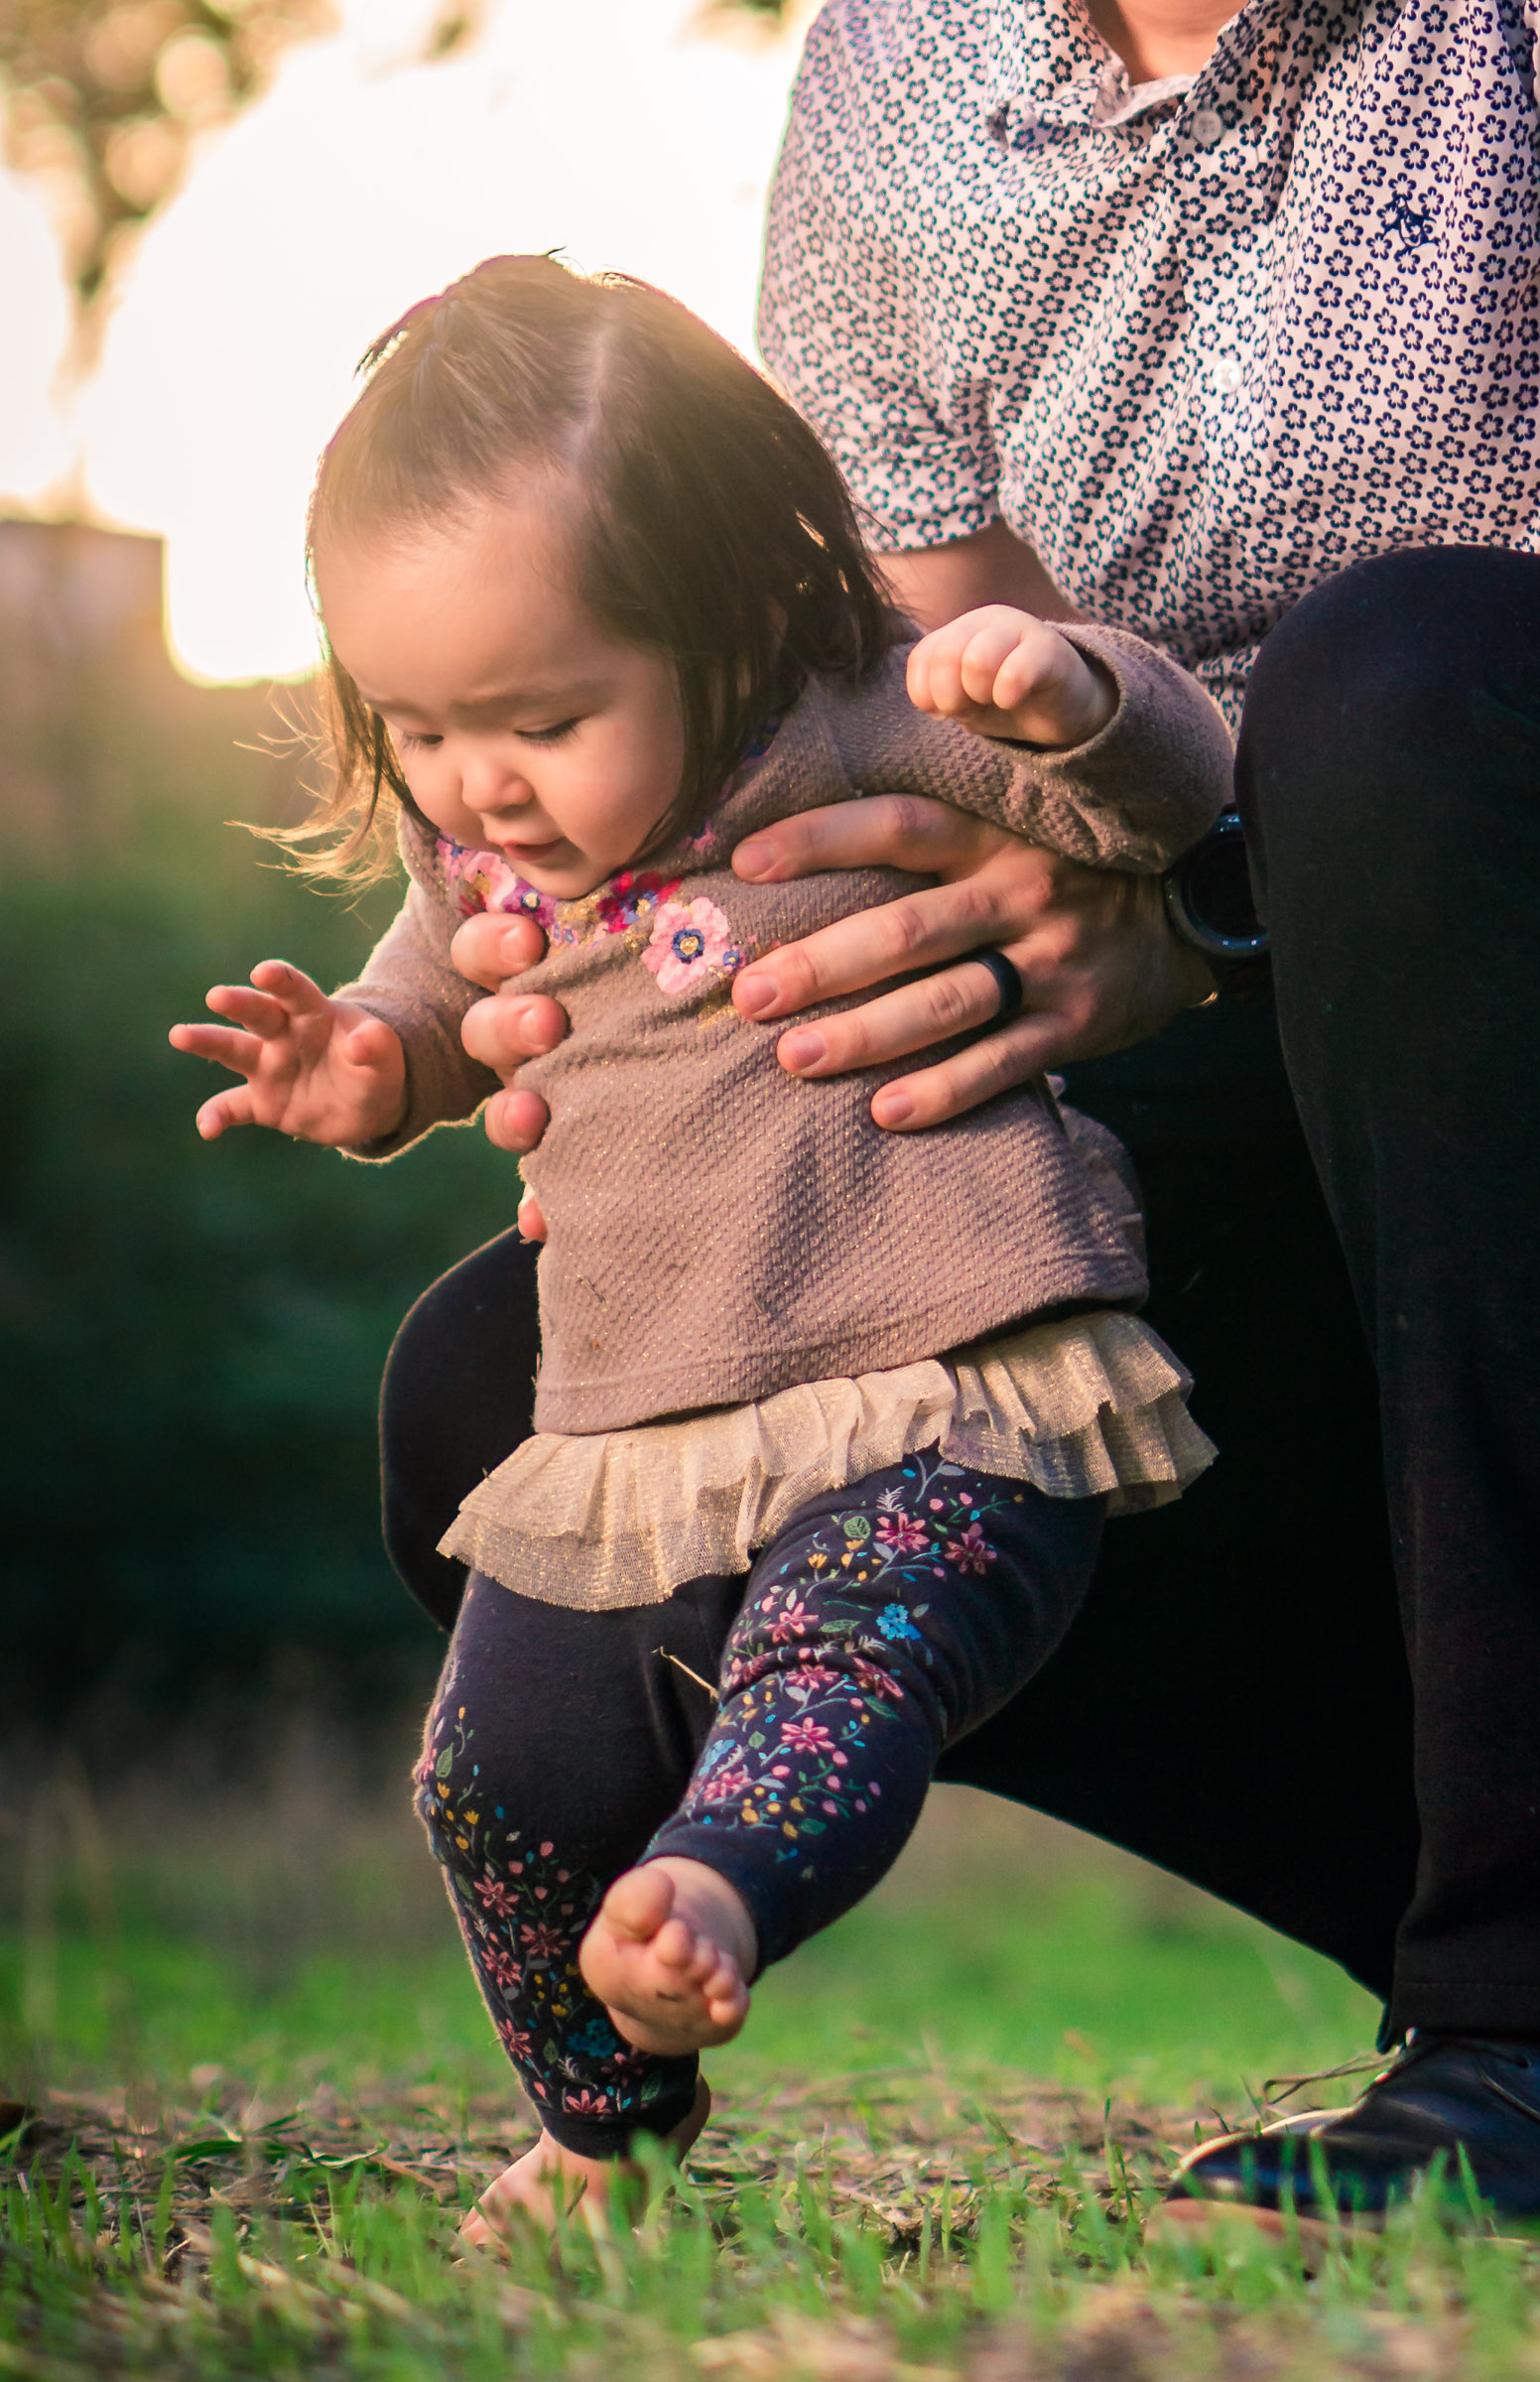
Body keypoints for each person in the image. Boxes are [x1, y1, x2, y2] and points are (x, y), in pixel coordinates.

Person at [438, 0, 1540, 2222]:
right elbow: (895, 712)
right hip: (1219, 1004)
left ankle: (1526, 2013)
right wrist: (691, 1063)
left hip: (1474, 921)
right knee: (505, 1403)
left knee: (1403, 686)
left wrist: (1232, 886)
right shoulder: (896, 71)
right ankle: (1446, 1916)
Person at [170, 254, 1233, 2237]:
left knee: (835, 1672)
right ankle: (603, 2132)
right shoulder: (487, 843)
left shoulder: (856, 733)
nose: (478, 783)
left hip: (943, 1386)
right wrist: (366, 1064)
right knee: (492, 1774)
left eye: (546, 714)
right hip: (632, 1436)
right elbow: (430, 998)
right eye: (417, 725)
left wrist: (1079, 696)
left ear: (727, 614)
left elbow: (1173, 806)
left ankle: (716, 1887)